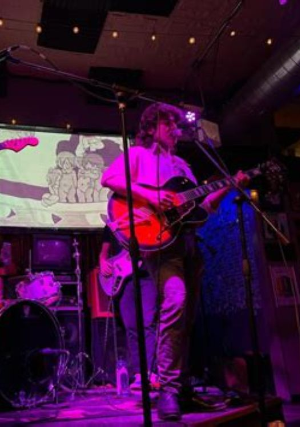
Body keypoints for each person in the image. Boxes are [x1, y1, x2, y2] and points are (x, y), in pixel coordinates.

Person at [101, 103, 248, 420]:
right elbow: (108, 178)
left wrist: (228, 186)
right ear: (151, 127)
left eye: (177, 126)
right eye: (169, 124)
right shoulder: (137, 156)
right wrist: (152, 196)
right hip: (160, 247)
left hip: (188, 245)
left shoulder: (182, 165)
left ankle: (179, 387)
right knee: (175, 301)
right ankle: (167, 389)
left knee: (186, 319)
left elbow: (201, 209)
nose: (176, 131)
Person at [98, 225, 158, 390]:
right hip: (124, 280)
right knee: (131, 327)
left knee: (148, 323)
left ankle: (151, 373)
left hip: (146, 275)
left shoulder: (144, 220)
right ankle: (139, 374)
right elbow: (104, 252)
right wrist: (102, 261)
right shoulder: (112, 224)